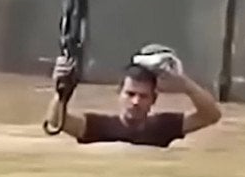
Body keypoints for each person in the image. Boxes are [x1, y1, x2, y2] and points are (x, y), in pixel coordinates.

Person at [45, 46, 222, 148]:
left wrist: (185, 85)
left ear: (154, 100)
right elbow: (56, 122)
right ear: (119, 94)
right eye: (130, 94)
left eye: (143, 96)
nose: (136, 101)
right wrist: (61, 91)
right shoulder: (97, 126)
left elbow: (211, 116)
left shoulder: (163, 126)